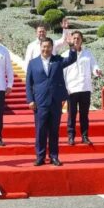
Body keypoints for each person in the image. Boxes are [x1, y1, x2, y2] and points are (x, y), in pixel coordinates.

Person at [26, 37, 77, 167]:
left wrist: (71, 46)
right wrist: (30, 100)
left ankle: (54, 156)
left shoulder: (58, 60)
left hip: (55, 101)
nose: (46, 49)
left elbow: (71, 59)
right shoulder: (33, 63)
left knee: (54, 131)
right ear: (40, 47)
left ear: (51, 47)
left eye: (48, 47)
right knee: (40, 130)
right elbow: (28, 83)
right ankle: (40, 157)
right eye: (44, 46)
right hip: (40, 102)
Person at [62, 31, 102, 146]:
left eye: (78, 38)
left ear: (81, 40)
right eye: (74, 38)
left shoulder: (88, 53)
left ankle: (84, 136)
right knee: (72, 114)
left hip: (85, 87)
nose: (76, 40)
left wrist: (96, 71)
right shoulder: (65, 54)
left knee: (84, 114)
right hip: (71, 88)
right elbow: (63, 73)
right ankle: (71, 136)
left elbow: (94, 65)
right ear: (71, 40)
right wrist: (64, 89)